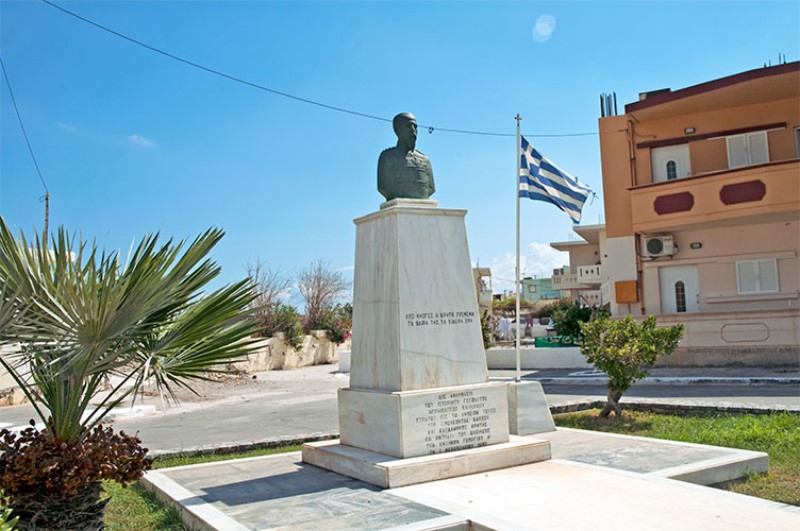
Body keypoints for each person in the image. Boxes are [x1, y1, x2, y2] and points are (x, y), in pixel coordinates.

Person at [377, 113, 435, 201]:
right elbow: (383, 187)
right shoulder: (387, 158)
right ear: (398, 130)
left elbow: (431, 188)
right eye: (408, 126)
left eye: (415, 127)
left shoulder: (425, 160)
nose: (413, 130)